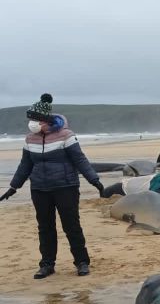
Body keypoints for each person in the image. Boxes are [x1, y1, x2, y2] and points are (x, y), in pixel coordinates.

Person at [0, 94, 104, 279]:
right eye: (30, 119)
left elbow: (80, 159)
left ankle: (82, 262)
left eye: (34, 119)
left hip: (66, 187)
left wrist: (94, 180)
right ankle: (47, 264)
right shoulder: (30, 139)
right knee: (45, 227)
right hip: (39, 188)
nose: (31, 122)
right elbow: (25, 165)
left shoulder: (66, 135)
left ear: (45, 119)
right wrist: (13, 187)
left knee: (71, 225)